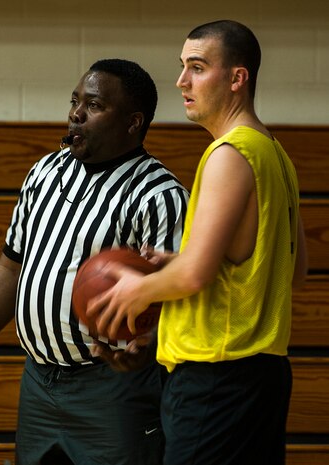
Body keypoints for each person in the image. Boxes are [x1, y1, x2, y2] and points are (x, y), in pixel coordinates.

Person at [0, 58, 189, 465]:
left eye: (93, 106)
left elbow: (179, 297)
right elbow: (10, 266)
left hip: (112, 387)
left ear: (133, 122)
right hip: (39, 382)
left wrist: (146, 347)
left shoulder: (160, 194)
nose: (76, 113)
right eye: (75, 101)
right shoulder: (43, 171)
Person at [88, 20, 308, 465]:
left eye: (197, 67)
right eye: (183, 67)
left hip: (216, 380)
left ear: (236, 78)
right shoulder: (274, 152)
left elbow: (196, 275)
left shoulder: (229, 154)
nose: (181, 81)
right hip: (262, 376)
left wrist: (135, 290)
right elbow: (293, 269)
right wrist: (177, 261)